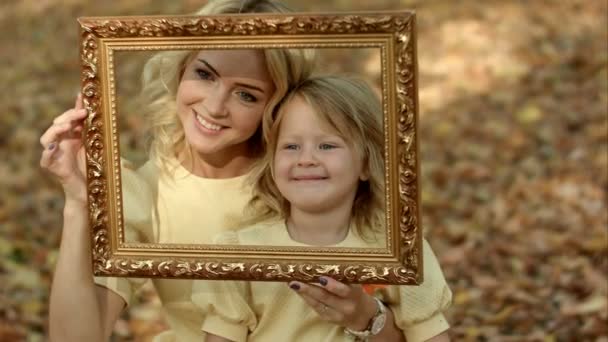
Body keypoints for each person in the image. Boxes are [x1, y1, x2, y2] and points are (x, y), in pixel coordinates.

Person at [39, 1, 316, 341]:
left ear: (276, 106)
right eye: (205, 74)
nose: (215, 107)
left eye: (246, 94)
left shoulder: (308, 176)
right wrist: (79, 203)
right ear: (181, 69)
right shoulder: (142, 194)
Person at [191, 76, 452, 342]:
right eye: (291, 146)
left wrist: (367, 316)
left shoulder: (401, 250)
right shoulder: (238, 252)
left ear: (365, 164)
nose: (306, 159)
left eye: (327, 146)